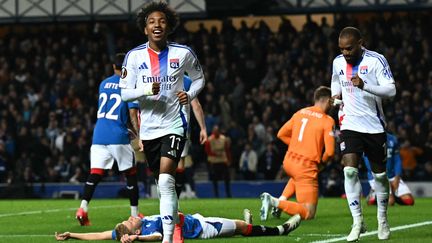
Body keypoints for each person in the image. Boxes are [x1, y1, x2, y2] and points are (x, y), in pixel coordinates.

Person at [119, 2, 205, 242]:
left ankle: (168, 238)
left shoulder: (183, 53)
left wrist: (189, 95)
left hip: (175, 124)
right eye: (151, 22)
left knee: (167, 180)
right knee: (162, 184)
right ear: (145, 29)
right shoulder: (134, 56)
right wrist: (145, 89)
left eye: (162, 21)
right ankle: (174, 228)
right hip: (149, 131)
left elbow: (199, 79)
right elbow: (125, 93)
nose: (157, 25)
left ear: (169, 27)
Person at [331, 26, 396, 241]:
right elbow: (335, 79)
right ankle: (357, 221)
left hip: (374, 126)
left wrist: (365, 86)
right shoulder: (338, 62)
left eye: (349, 48)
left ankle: (382, 219)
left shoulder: (376, 60)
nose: (345, 53)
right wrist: (335, 95)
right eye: (342, 49)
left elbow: (391, 90)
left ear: (361, 42)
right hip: (349, 123)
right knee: (349, 170)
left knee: (379, 176)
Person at [75, 53, 150, 226]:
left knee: (95, 174)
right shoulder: (129, 85)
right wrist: (138, 134)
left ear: (112, 66)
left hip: (99, 134)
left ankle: (83, 208)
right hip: (117, 135)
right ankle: (135, 214)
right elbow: (132, 113)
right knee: (131, 174)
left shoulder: (103, 84)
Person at [260, 86, 335, 221]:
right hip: (305, 166)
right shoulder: (327, 120)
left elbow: (281, 134)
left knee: (296, 178)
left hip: (289, 162)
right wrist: (322, 163)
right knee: (308, 213)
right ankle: (273, 202)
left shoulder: (300, 112)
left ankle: (280, 201)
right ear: (328, 100)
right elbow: (330, 152)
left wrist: (299, 146)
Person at [55, 212, 301, 242]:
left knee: (240, 226)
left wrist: (71, 234)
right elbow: (157, 237)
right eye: (130, 222)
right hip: (204, 228)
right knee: (241, 228)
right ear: (136, 231)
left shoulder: (141, 223)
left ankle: (248, 223)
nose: (131, 218)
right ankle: (281, 231)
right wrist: (139, 240)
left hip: (195, 217)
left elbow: (98, 235)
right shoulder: (149, 230)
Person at [175, 75, 207, 199]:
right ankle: (175, 201)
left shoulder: (159, 75)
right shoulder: (187, 81)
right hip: (180, 128)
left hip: (162, 127)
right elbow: (196, 106)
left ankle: (168, 199)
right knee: (180, 163)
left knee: (164, 164)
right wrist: (203, 128)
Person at [364, 133, 415, 206]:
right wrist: (382, 178)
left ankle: (383, 194)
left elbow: (397, 160)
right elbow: (368, 162)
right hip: (377, 176)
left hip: (392, 176)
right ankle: (373, 196)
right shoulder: (369, 139)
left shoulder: (392, 139)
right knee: (390, 201)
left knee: (409, 201)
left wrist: (397, 177)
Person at [205, 125, 232, 197]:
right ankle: (216, 195)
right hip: (214, 162)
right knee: (215, 180)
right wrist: (216, 154)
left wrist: (229, 160)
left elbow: (227, 150)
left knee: (227, 178)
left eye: (217, 130)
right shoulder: (209, 140)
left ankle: (228, 194)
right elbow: (208, 151)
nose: (216, 132)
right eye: (215, 131)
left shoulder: (224, 139)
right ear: (213, 131)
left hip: (223, 161)